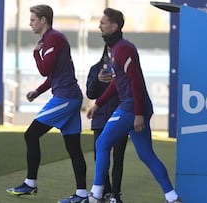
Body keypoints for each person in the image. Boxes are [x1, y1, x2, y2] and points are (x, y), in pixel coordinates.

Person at [86, 8, 182, 203]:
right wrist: (98, 103)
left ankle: (96, 196)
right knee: (146, 155)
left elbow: (136, 81)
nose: (99, 26)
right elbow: (117, 81)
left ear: (114, 26)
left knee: (102, 143)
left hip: (131, 107)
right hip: (134, 107)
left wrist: (138, 114)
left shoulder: (124, 49)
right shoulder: (116, 49)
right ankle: (172, 198)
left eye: (103, 23)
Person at [6, 4, 88, 203]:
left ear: (43, 20)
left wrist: (35, 53)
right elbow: (53, 75)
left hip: (66, 98)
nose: (30, 23)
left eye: (33, 19)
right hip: (70, 97)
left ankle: (30, 184)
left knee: (31, 134)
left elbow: (44, 69)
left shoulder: (54, 38)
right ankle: (82, 195)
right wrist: (38, 91)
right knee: (73, 148)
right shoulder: (51, 39)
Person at [86, 45, 128, 203]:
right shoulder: (95, 68)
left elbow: (130, 91)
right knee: (100, 156)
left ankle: (115, 194)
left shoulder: (125, 69)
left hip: (120, 117)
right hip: (100, 118)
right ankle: (107, 190)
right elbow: (90, 93)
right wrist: (97, 79)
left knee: (118, 157)